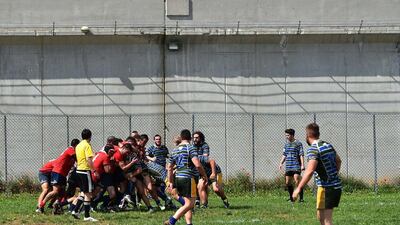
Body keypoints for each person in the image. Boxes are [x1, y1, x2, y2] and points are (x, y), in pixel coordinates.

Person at [293, 123, 342, 225]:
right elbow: (339, 161)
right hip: (331, 186)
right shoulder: (328, 145)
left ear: (308, 135)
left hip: (327, 188)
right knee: (320, 217)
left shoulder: (313, 149)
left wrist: (298, 188)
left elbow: (310, 171)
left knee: (327, 220)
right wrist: (334, 175)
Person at [164, 129, 208, 225]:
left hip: (178, 178)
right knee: (190, 204)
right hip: (188, 178)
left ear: (182, 137)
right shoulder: (190, 148)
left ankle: (189, 223)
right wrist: (204, 175)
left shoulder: (174, 150)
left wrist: (171, 182)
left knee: (187, 203)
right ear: (190, 138)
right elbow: (197, 164)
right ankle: (172, 221)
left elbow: (170, 168)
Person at [71, 129, 98, 222]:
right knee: (88, 194)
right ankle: (87, 216)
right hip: (85, 171)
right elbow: (89, 160)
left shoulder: (78, 145)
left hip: (78, 171)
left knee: (83, 192)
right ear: (90, 136)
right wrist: (94, 170)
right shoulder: (87, 145)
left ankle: (75, 210)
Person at [279, 128, 305, 202]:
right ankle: (291, 198)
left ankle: (301, 198)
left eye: (287, 135)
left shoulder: (298, 143)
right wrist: (281, 163)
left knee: (297, 180)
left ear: (292, 135)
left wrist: (302, 165)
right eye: (286, 135)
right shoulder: (286, 144)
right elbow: (284, 154)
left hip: (296, 165)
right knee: (288, 182)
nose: (286, 137)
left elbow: (301, 154)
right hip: (288, 166)